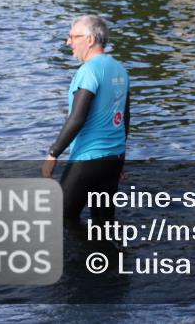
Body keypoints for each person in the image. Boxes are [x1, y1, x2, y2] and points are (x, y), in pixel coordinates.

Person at [42, 15, 130, 224]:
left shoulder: (89, 70)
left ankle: (82, 255)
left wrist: (53, 154)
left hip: (88, 159)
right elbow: (125, 118)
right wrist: (121, 160)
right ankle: (109, 255)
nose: (68, 42)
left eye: (73, 36)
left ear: (90, 40)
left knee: (61, 220)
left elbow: (77, 118)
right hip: (114, 159)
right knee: (104, 222)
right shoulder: (120, 69)